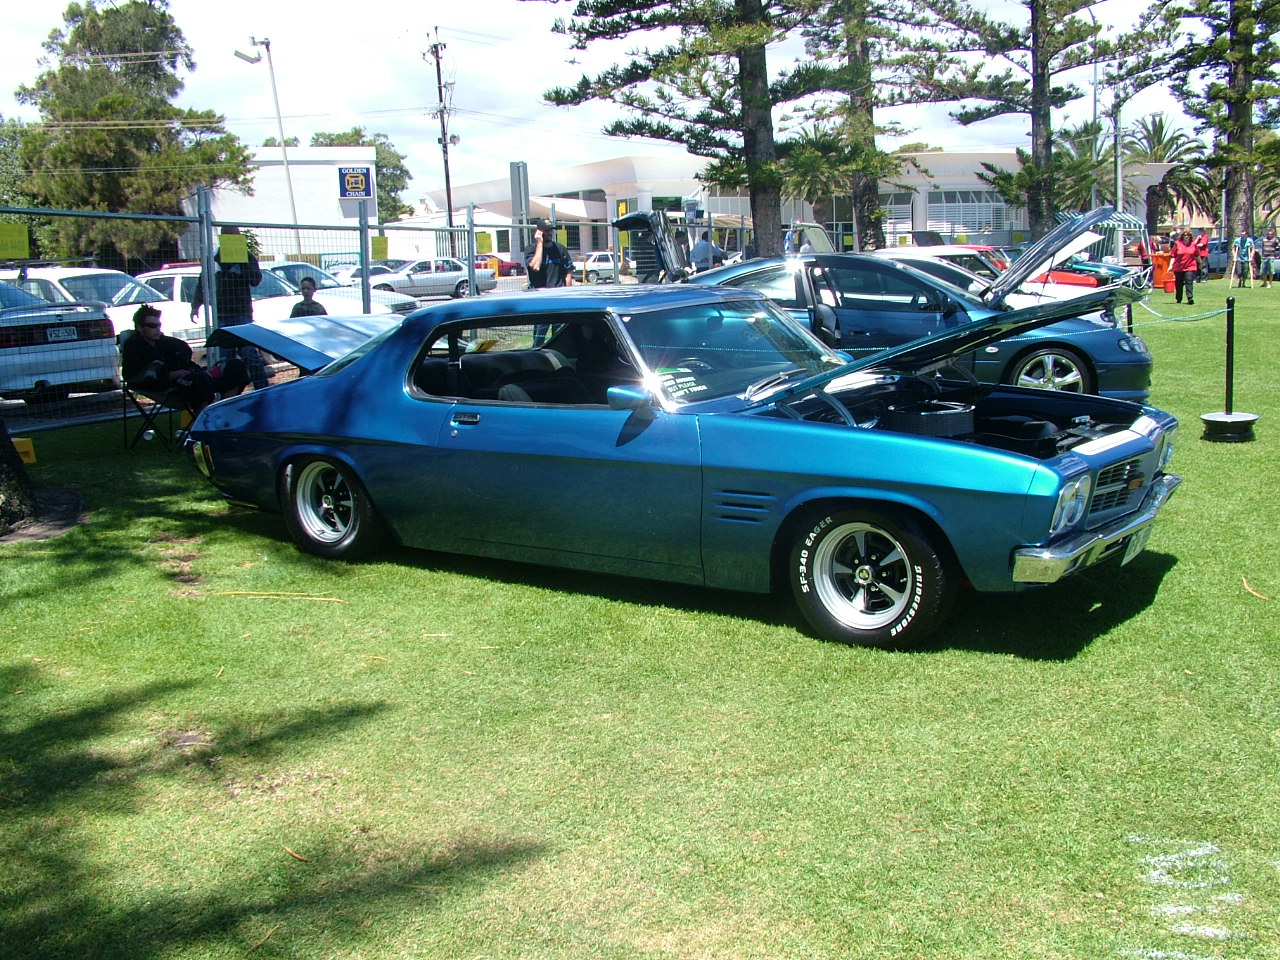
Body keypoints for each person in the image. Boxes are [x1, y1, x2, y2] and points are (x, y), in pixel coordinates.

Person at [121, 305, 248, 415]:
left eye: (159, 325)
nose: (158, 329)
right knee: (201, 380)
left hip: (188, 377)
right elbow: (134, 376)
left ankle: (224, 415)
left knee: (236, 367)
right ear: (139, 327)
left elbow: (184, 352)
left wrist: (188, 370)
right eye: (152, 326)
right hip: (168, 386)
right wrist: (169, 375)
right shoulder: (134, 346)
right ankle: (203, 427)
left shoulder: (164, 342)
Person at [191, 225, 267, 389]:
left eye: (235, 236)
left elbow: (255, 280)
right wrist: (195, 305)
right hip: (223, 315)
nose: (232, 239)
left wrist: (242, 259)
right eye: (229, 236)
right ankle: (228, 394)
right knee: (226, 358)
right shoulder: (213, 259)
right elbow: (202, 283)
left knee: (249, 354)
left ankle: (263, 390)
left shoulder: (247, 257)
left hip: (242, 315)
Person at [523, 218, 573, 347]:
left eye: (551, 230)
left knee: (560, 337)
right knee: (539, 338)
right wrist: (539, 244)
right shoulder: (531, 249)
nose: (550, 233)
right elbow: (535, 267)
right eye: (546, 230)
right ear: (539, 232)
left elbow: (568, 272)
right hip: (541, 300)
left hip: (559, 298)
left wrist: (568, 294)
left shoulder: (560, 249)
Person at [1170, 229, 1199, 305]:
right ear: (1182, 236)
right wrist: (1170, 266)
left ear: (1190, 236)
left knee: (1188, 281)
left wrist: (1201, 263)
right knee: (1178, 284)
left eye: (1188, 235)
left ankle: (1190, 298)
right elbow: (1173, 256)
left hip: (1190, 266)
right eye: (1184, 235)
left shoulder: (1193, 244)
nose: (1186, 237)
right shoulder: (1177, 244)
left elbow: (1196, 255)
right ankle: (1179, 298)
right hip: (1179, 267)